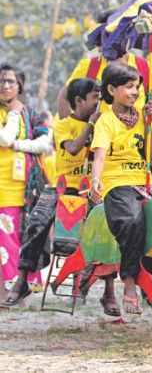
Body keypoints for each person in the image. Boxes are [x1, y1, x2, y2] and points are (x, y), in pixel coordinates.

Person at [2, 78, 119, 314]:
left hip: (92, 189)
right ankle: (22, 280)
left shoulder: (105, 123)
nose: (98, 103)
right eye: (94, 98)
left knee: (108, 228)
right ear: (79, 101)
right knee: (36, 222)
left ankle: (109, 293)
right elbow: (73, 148)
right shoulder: (63, 125)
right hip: (64, 188)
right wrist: (91, 126)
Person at [57, 12, 152, 173]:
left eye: (121, 32)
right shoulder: (90, 66)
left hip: (137, 155)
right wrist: (74, 134)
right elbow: (64, 98)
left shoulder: (146, 67)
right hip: (99, 154)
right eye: (109, 34)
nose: (115, 39)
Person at [88, 63, 152, 316]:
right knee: (131, 221)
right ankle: (129, 283)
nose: (134, 92)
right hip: (118, 183)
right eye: (129, 87)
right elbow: (99, 157)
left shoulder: (144, 116)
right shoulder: (105, 121)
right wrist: (96, 181)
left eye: (137, 87)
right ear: (111, 89)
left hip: (145, 181)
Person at [0, 63, 51, 300]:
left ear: (20, 86)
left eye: (11, 81)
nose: (6, 85)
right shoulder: (10, 113)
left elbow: (44, 142)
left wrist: (19, 145)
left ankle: (22, 286)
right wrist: (12, 113)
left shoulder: (30, 114)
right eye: (2, 81)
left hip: (27, 188)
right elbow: (4, 137)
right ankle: (7, 289)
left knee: (25, 237)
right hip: (3, 187)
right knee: (5, 238)